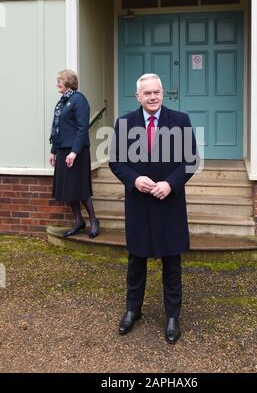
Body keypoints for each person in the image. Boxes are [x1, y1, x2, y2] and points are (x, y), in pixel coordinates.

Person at [109, 73, 198, 344]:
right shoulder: (124, 123)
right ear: (138, 96)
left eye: (157, 92)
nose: (153, 97)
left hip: (168, 204)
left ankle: (173, 315)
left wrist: (171, 184)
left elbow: (190, 161)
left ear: (163, 94)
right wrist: (134, 179)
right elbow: (116, 162)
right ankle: (132, 310)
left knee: (172, 261)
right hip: (139, 204)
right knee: (137, 261)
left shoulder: (180, 121)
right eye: (147, 93)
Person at [49, 69, 100, 239]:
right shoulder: (63, 101)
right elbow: (58, 128)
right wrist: (53, 151)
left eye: (59, 81)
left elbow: (82, 128)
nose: (57, 84)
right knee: (68, 188)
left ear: (68, 82)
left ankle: (93, 221)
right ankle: (78, 221)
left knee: (80, 188)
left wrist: (74, 152)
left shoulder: (79, 100)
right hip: (63, 150)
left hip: (77, 152)